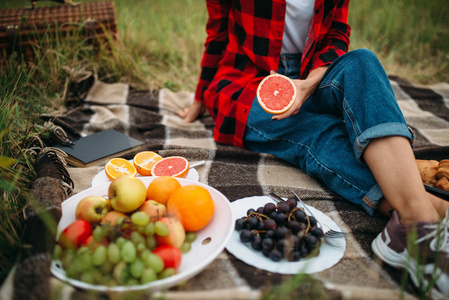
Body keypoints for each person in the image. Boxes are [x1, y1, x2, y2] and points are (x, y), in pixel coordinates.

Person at [177, 1, 449, 297]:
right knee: (319, 131)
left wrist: (310, 83)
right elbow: (217, 34)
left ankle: (412, 226)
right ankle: (427, 214)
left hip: (312, 75)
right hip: (246, 83)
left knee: (363, 62)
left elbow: (336, 32)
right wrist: (200, 96)